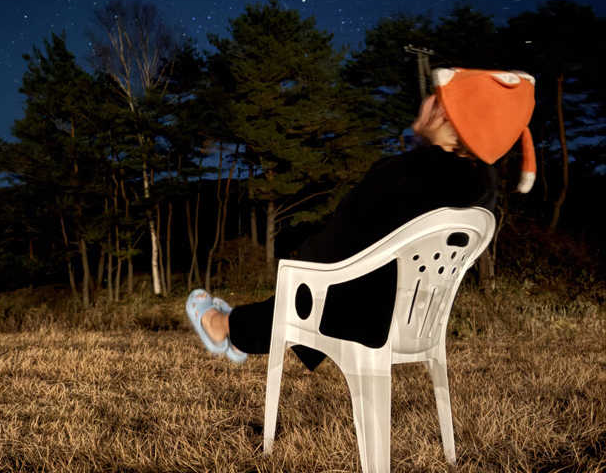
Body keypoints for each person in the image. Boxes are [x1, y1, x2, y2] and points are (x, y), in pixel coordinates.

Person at [186, 68, 536, 367]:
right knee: (328, 281)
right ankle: (244, 329)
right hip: (415, 321)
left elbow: (336, 243)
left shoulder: (403, 172)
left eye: (434, 97)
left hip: (361, 317)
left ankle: (226, 327)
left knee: (310, 278)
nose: (425, 101)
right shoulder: (483, 186)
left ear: (444, 114)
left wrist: (297, 270)